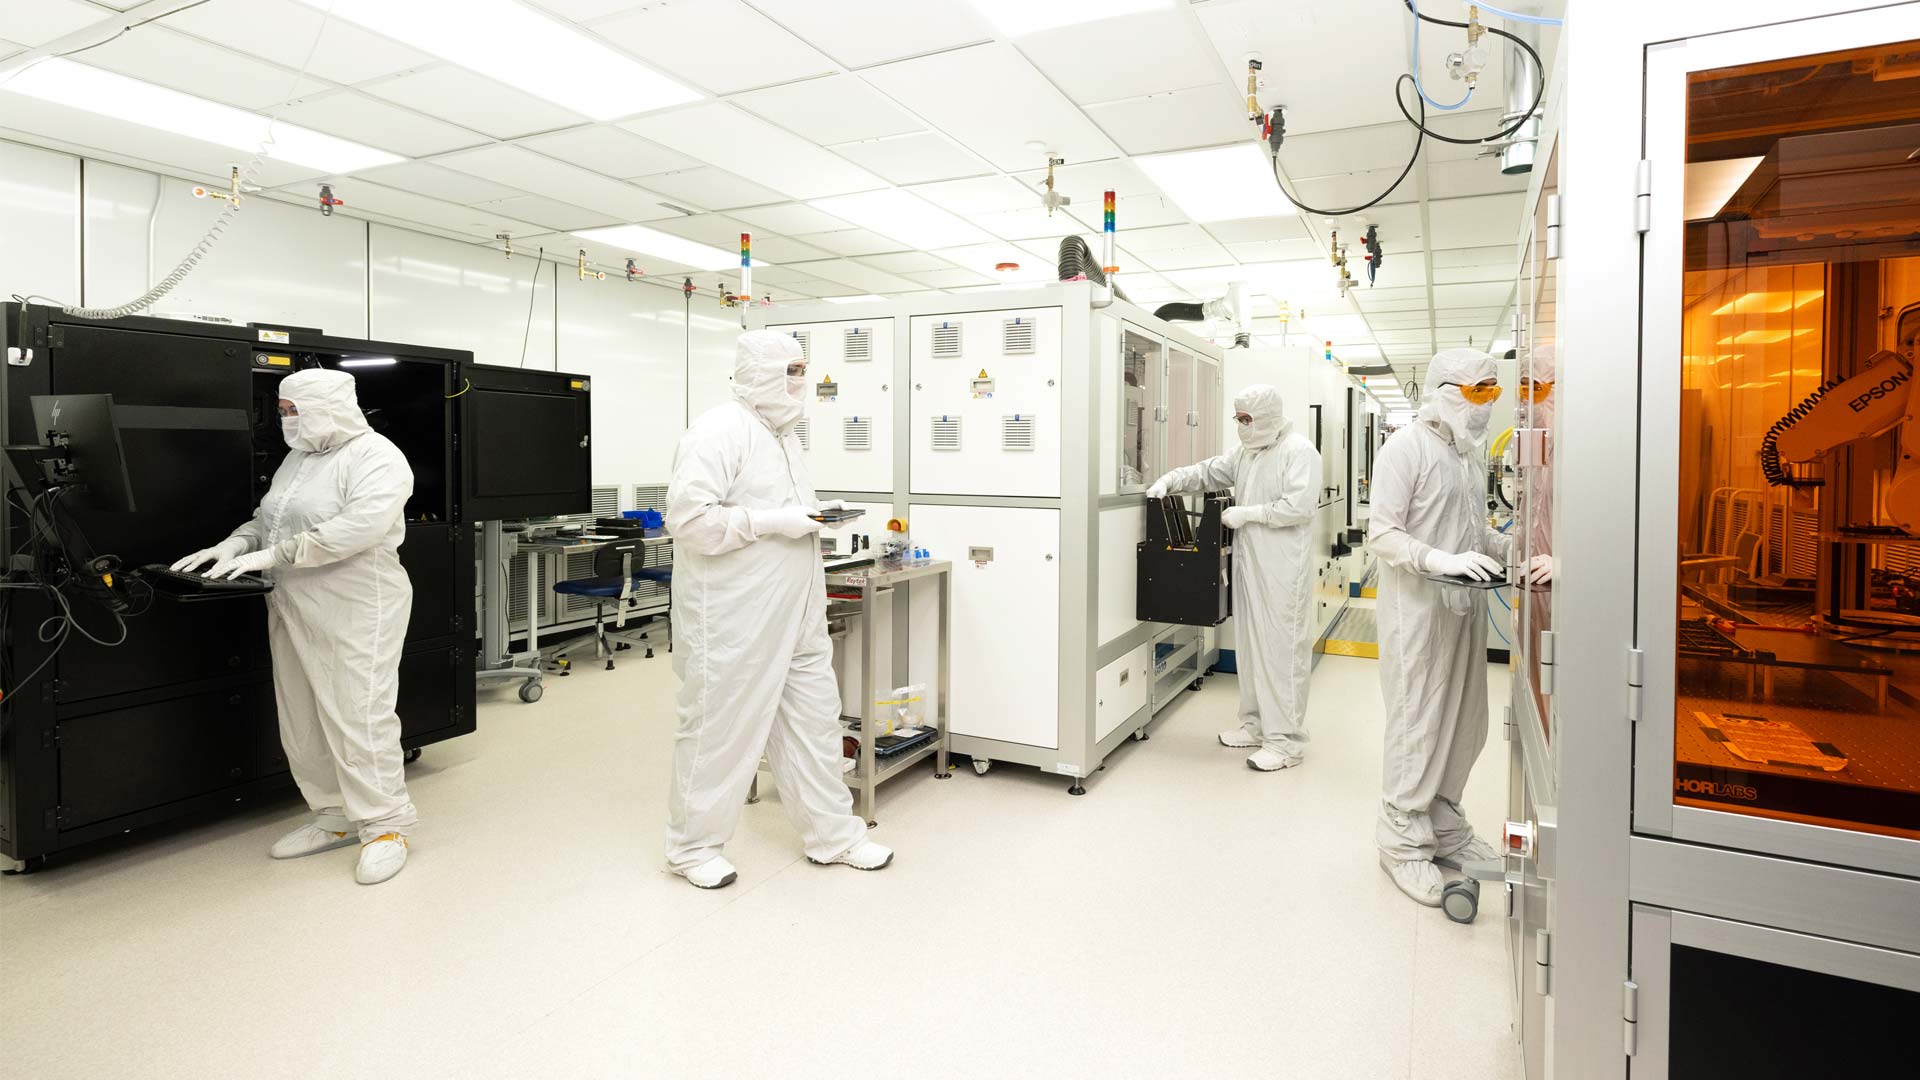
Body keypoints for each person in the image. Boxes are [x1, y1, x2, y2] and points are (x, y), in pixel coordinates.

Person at [663, 330, 891, 889]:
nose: (800, 383)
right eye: (790, 371)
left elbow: (774, 508)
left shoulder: (783, 435)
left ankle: (833, 835)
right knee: (721, 729)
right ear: (759, 372)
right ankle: (692, 848)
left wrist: (811, 517)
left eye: (802, 371)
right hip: (734, 618)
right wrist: (774, 522)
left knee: (814, 725)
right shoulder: (719, 430)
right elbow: (689, 523)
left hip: (796, 610)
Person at [170, 368, 417, 885]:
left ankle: (384, 825)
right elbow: (270, 519)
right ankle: (332, 815)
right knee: (301, 713)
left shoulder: (377, 457)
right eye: (282, 411)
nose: (285, 420)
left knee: (358, 713)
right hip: (293, 600)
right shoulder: (298, 459)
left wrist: (274, 554)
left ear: (326, 408)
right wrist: (236, 544)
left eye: (293, 411)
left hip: (356, 603)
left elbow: (356, 529)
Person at [1367, 348, 1551, 906]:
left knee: (1465, 723)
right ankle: (1401, 842)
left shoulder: (1466, 457)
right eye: (1479, 392)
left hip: (1463, 611)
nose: (1488, 404)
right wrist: (1437, 560)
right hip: (1418, 613)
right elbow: (1382, 533)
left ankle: (1444, 825)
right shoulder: (1406, 448)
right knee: (1418, 723)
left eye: (1493, 392)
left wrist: (1514, 552)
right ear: (1445, 389)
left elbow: (1473, 530)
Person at [1147, 384, 1321, 771]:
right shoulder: (1247, 453)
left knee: (1281, 654)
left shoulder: (1298, 452)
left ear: (1269, 418)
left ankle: (1285, 743)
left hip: (1281, 570)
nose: (1242, 426)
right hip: (1249, 565)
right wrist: (1170, 481)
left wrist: (1249, 513)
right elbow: (1208, 473)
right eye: (1238, 419)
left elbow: (1299, 506)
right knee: (1251, 646)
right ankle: (1255, 726)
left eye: (1248, 419)